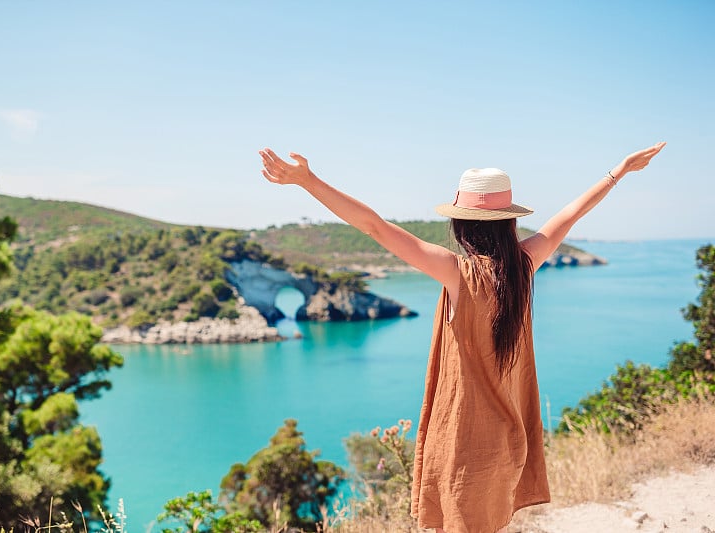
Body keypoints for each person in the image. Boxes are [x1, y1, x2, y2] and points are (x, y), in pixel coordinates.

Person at [258, 142, 666, 533]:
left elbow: (374, 227)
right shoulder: (523, 268)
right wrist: (620, 172)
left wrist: (308, 181)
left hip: (463, 449)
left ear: (461, 223)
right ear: (509, 221)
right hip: (507, 443)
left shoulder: (458, 273)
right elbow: (570, 214)